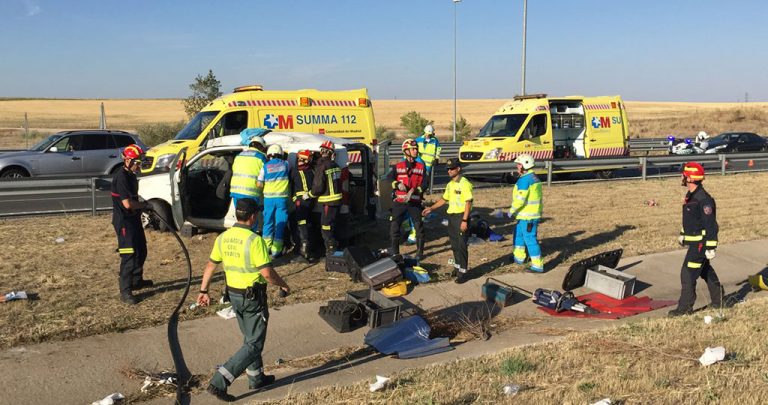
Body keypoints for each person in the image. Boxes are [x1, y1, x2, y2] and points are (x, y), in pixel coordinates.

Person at [197, 198, 290, 401]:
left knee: (250, 339)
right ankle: (218, 382)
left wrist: (204, 290)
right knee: (254, 344)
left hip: (235, 297)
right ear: (254, 216)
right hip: (253, 299)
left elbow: (211, 265)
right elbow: (266, 273)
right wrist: (283, 284)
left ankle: (256, 378)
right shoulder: (254, 240)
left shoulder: (224, 237)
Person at [669, 162, 722, 317]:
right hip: (694, 242)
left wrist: (711, 247)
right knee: (705, 270)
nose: (681, 177)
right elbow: (691, 220)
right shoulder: (690, 196)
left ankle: (685, 308)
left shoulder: (703, 199)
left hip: (701, 244)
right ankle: (719, 301)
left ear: (690, 178)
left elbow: (710, 224)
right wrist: (683, 234)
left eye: (684, 175)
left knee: (687, 273)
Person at [111, 144, 151, 305]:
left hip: (134, 219)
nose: (138, 165)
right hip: (124, 223)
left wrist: (142, 205)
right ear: (127, 160)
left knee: (141, 250)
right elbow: (127, 204)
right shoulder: (121, 177)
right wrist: (145, 206)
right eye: (136, 162)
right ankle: (125, 291)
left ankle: (137, 280)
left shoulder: (132, 175)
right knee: (129, 255)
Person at [422, 158, 473, 283]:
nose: (449, 171)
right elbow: (444, 199)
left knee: (461, 245)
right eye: (448, 169)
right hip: (452, 217)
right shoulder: (450, 184)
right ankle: (457, 267)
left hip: (461, 216)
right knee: (454, 244)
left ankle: (463, 272)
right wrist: (431, 208)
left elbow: (468, 203)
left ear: (458, 169)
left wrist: (465, 220)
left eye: (451, 168)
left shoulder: (464, 183)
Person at [389, 139, 426, 259]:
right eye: (413, 149)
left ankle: (419, 253)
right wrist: (396, 184)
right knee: (394, 227)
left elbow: (425, 183)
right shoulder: (398, 166)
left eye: (416, 149)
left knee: (419, 228)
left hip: (414, 203)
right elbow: (389, 178)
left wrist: (415, 190)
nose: (416, 151)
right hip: (399, 203)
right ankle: (395, 253)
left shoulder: (421, 167)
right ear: (406, 151)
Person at [508, 154, 544, 273]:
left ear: (525, 165)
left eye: (519, 164)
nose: (517, 167)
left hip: (528, 216)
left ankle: (537, 265)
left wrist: (511, 211)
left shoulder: (525, 180)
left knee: (530, 239)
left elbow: (520, 199)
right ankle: (519, 257)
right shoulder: (533, 177)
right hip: (525, 215)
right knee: (518, 234)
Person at [307, 140, 343, 255]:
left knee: (326, 227)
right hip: (336, 201)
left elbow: (318, 187)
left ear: (322, 151)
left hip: (328, 201)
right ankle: (333, 249)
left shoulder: (322, 166)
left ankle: (331, 251)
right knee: (331, 225)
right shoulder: (336, 165)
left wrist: (309, 195)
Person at [230, 128, 268, 231]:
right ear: (261, 147)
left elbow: (234, 170)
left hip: (236, 192)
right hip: (251, 193)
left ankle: (240, 238)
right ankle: (250, 239)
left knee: (241, 219)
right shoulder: (261, 157)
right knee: (250, 221)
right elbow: (267, 175)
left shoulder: (239, 156)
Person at [258, 144, 291, 257]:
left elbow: (259, 184)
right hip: (281, 199)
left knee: (268, 222)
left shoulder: (265, 166)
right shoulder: (286, 164)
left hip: (268, 199)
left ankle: (266, 247)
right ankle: (276, 250)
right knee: (280, 223)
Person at [290, 149, 315, 261]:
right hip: (309, 201)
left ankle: (304, 251)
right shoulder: (311, 170)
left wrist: (295, 199)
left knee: (302, 224)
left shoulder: (295, 171)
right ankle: (305, 248)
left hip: (301, 202)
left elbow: (290, 187)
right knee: (306, 223)